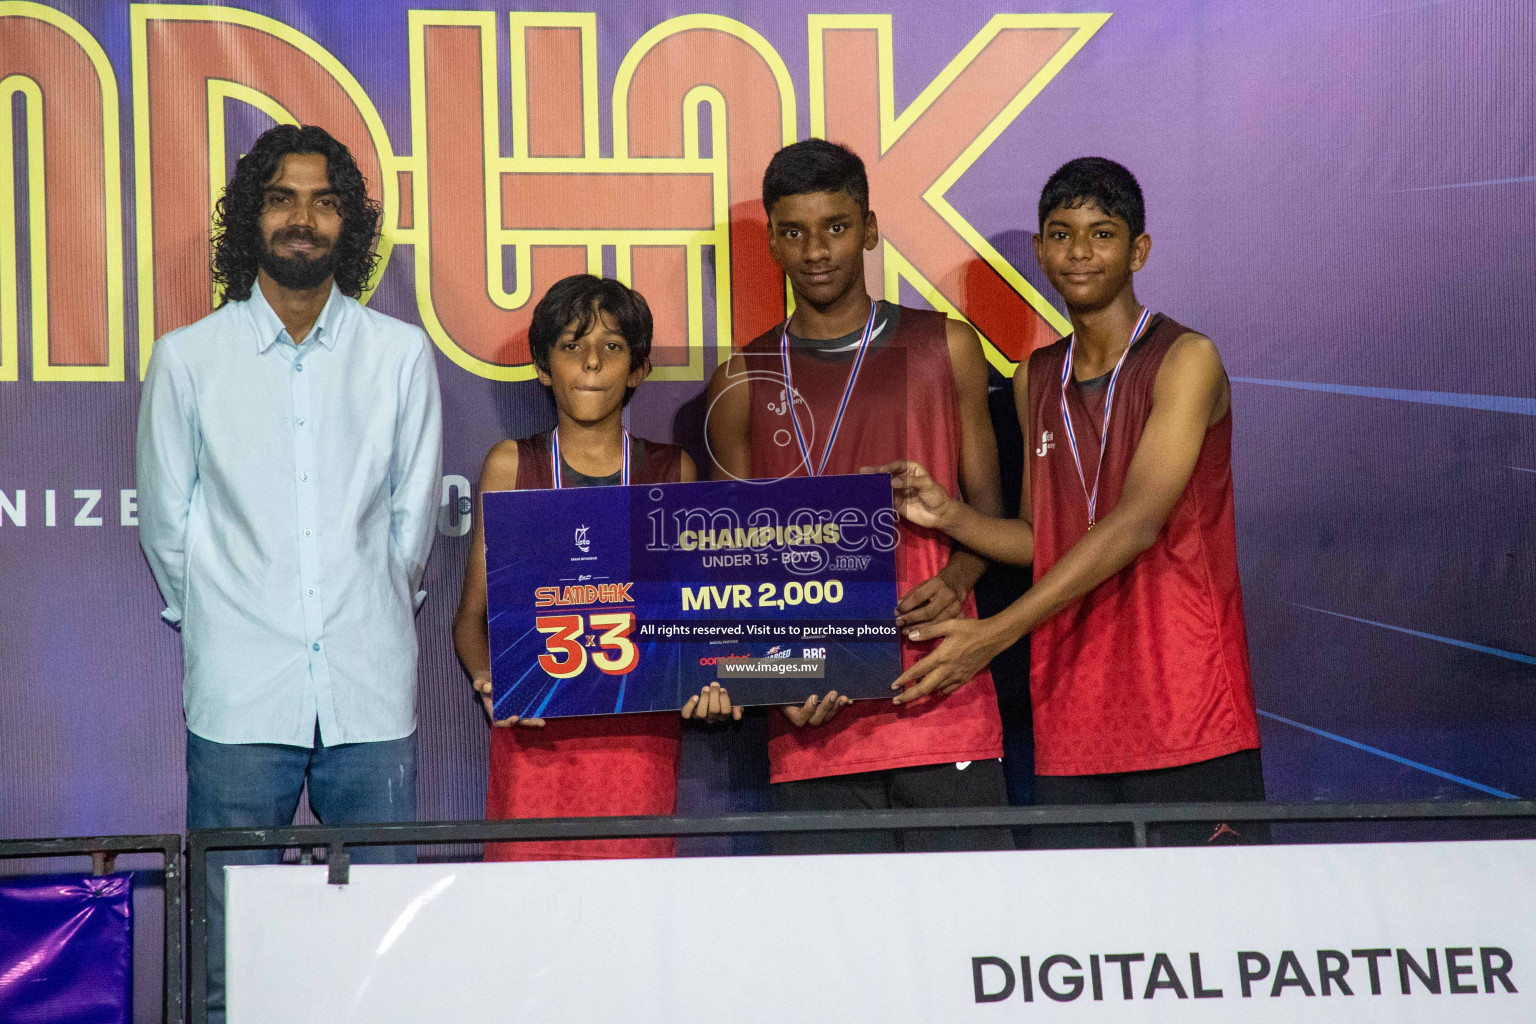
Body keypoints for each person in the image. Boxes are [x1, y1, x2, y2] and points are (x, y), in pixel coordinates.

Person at [136, 124, 442, 1023]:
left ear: (348, 222)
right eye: (281, 197)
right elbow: (167, 526)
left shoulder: (398, 356)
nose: (302, 218)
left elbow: (410, 523)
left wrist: (371, 609)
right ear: (249, 218)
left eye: (324, 199)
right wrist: (232, 620)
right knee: (229, 954)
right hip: (240, 694)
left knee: (384, 947)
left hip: (369, 685)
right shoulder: (189, 359)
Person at [880, 156, 1265, 847]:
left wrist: (996, 634)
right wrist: (951, 514)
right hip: (1072, 719)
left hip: (1187, 709)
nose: (1079, 253)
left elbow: (1136, 524)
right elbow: (1039, 536)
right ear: (1039, 250)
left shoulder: (1186, 359)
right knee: (1090, 948)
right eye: (1061, 235)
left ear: (1138, 249)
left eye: (1102, 234)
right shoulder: (1035, 376)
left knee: (1208, 942)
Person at [705, 139, 1012, 854]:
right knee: (834, 962)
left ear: (869, 229)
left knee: (960, 946)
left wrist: (958, 577)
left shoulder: (946, 346)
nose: (817, 250)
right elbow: (727, 571)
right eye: (795, 231)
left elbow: (992, 517)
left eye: (836, 227)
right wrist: (776, 683)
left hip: (942, 702)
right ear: (774, 243)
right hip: (813, 720)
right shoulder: (739, 378)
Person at [453, 274, 737, 861]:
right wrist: (493, 685)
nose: (590, 362)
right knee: (527, 927)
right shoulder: (511, 465)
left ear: (637, 369)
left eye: (611, 347)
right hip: (534, 746)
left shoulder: (670, 470)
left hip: (637, 748)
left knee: (629, 927)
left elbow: (691, 623)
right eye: (571, 345)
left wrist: (711, 680)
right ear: (542, 365)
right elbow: (471, 620)